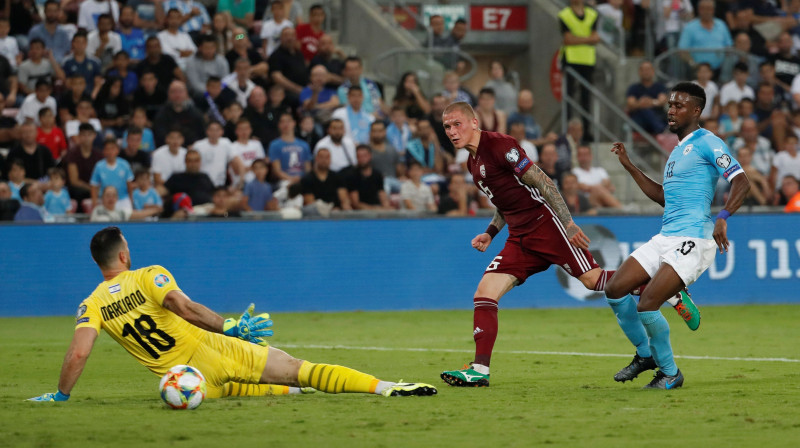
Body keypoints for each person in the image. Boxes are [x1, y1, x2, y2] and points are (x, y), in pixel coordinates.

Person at [437, 101, 701, 388]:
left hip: (546, 225)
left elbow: (543, 182)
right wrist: (490, 232)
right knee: (484, 294)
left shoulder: (501, 146)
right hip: (519, 238)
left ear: (474, 122)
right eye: (447, 127)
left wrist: (568, 223)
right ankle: (479, 370)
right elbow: (505, 202)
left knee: (593, 280)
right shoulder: (472, 163)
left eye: (457, 124)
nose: (452, 131)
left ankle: (671, 290)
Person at [605, 82, 751, 389]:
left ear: (696, 111)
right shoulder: (675, 152)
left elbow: (741, 182)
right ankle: (646, 355)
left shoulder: (708, 142)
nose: (671, 110)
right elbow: (662, 196)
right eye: (670, 105)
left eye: (679, 106)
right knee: (615, 289)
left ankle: (670, 374)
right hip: (666, 236)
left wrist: (723, 217)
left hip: (694, 239)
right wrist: (630, 167)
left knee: (646, 304)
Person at [559, 0, 599, 133]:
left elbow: (596, 37)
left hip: (588, 60)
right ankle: (566, 129)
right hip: (570, 59)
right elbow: (567, 40)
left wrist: (577, 39)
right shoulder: (564, 14)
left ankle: (587, 131)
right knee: (569, 96)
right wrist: (588, 39)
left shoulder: (592, 14)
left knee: (586, 98)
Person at [677, 0, 733, 74]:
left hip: (720, 70)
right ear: (699, 10)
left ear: (713, 10)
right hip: (697, 71)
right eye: (703, 8)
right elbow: (682, 50)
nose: (706, 11)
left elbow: (729, 46)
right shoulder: (690, 27)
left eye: (709, 8)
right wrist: (692, 63)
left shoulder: (721, 25)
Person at [153, 80, 206, 146]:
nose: (177, 95)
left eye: (180, 92)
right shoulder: (161, 114)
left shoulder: (196, 114)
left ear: (186, 94)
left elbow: (201, 136)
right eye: (173, 92)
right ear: (168, 94)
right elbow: (159, 136)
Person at [64, 124, 103, 207]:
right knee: (77, 192)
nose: (86, 138)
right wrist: (91, 189)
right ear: (79, 136)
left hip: (95, 187)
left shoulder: (99, 155)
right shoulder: (72, 154)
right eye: (83, 135)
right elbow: (74, 181)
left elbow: (102, 176)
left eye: (89, 135)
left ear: (94, 136)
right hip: (80, 190)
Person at [90, 139, 135, 211]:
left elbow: (129, 184)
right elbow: (94, 186)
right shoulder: (99, 166)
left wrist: (131, 200)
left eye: (112, 149)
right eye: (107, 149)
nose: (110, 152)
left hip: (123, 199)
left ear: (117, 150)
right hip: (105, 201)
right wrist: (94, 203)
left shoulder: (124, 164)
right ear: (103, 151)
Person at [193, 121, 242, 187]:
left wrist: (240, 181)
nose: (214, 133)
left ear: (222, 132)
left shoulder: (226, 143)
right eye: (212, 130)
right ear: (207, 131)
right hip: (202, 183)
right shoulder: (198, 145)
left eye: (217, 130)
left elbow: (236, 160)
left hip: (220, 184)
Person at [626, 61, 668, 135]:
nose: (646, 72)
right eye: (643, 70)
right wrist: (641, 104)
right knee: (645, 111)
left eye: (648, 69)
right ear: (639, 72)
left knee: (647, 111)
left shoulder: (660, 87)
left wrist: (650, 102)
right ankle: (662, 130)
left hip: (658, 117)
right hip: (640, 121)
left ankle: (660, 128)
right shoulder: (633, 88)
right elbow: (631, 104)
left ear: (653, 71)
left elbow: (662, 101)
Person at [269, 112, 311, 184]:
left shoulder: (304, 145)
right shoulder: (274, 145)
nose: (286, 124)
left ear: (294, 123)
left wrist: (302, 179)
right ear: (279, 125)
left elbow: (308, 168)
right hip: (284, 181)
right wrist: (291, 179)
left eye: (288, 121)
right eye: (283, 122)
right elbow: (277, 170)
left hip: (302, 180)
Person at [268, 27, 309, 98]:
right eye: (286, 35)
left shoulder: (299, 54)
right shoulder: (276, 55)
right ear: (281, 38)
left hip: (303, 90)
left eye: (292, 35)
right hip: (287, 93)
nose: (289, 38)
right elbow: (277, 77)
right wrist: (298, 89)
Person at [347, 144, 390, 210]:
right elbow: (355, 203)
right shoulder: (352, 175)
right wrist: (374, 209)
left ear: (370, 156)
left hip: (377, 209)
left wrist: (386, 208)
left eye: (365, 156)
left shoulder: (377, 174)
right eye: (359, 156)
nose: (362, 159)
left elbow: (382, 196)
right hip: (361, 213)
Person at [90, 185, 160, 221]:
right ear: (102, 198)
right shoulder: (97, 210)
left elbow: (138, 214)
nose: (111, 198)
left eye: (113, 195)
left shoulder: (121, 212)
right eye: (108, 195)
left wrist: (156, 210)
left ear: (117, 198)